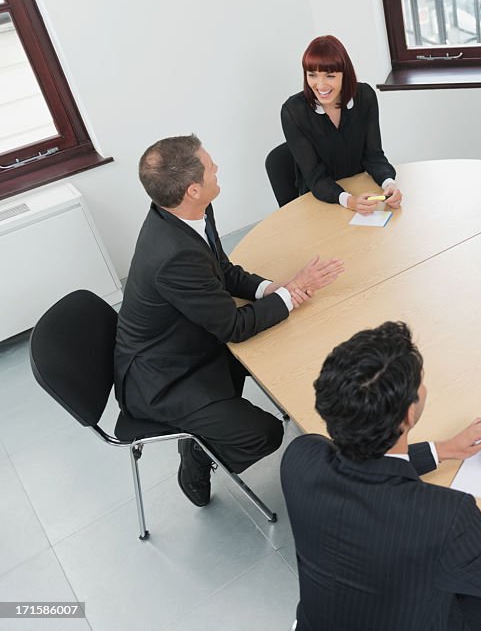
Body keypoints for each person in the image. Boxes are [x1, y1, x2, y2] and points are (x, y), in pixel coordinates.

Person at [114, 134, 344, 507]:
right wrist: (294, 292)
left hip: (190, 339)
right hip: (163, 378)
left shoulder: (188, 212)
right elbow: (233, 328)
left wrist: (272, 289)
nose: (216, 168)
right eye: (209, 166)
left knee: (285, 354)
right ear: (191, 189)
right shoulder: (172, 255)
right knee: (265, 434)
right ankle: (197, 455)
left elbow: (221, 268)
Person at [281, 322, 481, 631]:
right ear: (409, 414)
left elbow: (353, 459)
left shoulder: (300, 457)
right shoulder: (444, 516)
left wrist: (443, 450)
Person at [271, 34, 402, 213]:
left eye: (330, 76)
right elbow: (315, 177)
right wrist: (349, 201)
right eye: (312, 75)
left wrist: (389, 183)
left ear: (344, 74)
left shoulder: (365, 97)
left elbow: (374, 156)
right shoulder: (293, 112)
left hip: (359, 190)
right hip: (320, 200)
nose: (321, 85)